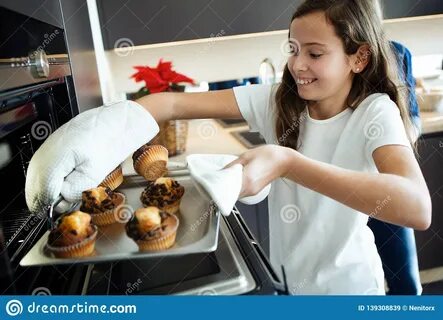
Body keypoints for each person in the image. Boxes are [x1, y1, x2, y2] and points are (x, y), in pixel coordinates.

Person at [25, 0, 432, 294]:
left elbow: (417, 208)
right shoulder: (279, 99)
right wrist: (103, 127)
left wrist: (287, 162)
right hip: (285, 279)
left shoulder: (374, 112)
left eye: (315, 54)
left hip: (349, 291)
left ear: (358, 58)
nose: (297, 65)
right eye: (293, 49)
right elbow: (172, 102)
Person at [367, 40, 422, 295]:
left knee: (406, 287)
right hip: (340, 193)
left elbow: (412, 121)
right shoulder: (328, 53)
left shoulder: (398, 53)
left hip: (387, 190)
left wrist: (389, 143)